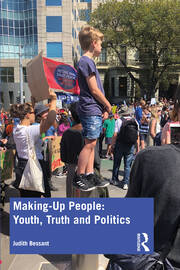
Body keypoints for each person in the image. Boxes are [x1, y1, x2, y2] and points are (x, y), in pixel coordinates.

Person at [73, 25, 111, 191]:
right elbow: (94, 90)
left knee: (92, 143)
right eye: (100, 44)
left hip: (92, 108)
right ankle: (79, 176)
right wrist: (108, 104)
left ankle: (89, 174)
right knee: (89, 144)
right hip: (90, 107)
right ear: (94, 43)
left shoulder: (86, 62)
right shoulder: (86, 62)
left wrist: (102, 108)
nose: (101, 47)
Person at [12, 90, 57, 198]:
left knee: (26, 197)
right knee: (36, 197)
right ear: (27, 115)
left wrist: (33, 102)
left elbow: (26, 112)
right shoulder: (30, 130)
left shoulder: (17, 128)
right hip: (34, 164)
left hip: (22, 165)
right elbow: (50, 120)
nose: (35, 114)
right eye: (33, 112)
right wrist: (54, 100)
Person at [110, 106, 139, 190]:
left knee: (117, 163)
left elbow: (115, 134)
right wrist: (137, 147)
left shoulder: (119, 121)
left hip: (120, 144)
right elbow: (137, 135)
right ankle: (126, 183)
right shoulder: (135, 121)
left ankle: (115, 179)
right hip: (130, 145)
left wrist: (112, 145)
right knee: (127, 165)